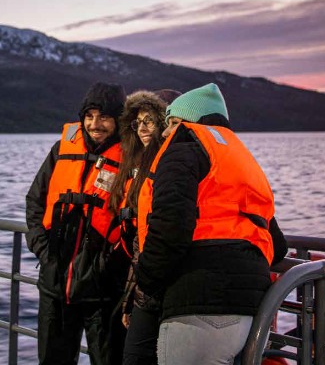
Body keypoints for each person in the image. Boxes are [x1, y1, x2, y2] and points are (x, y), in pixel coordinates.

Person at [135, 83, 288, 365]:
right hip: (252, 310)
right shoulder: (240, 159)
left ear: (188, 122)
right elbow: (277, 247)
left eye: (173, 122)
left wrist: (146, 281)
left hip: (199, 303)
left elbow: (169, 228)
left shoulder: (183, 149)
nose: (166, 132)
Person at [25, 81, 129, 365]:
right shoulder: (62, 150)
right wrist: (42, 250)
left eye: (105, 116)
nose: (95, 124)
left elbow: (136, 221)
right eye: (90, 115)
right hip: (55, 283)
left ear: (119, 120)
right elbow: (35, 200)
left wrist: (108, 264)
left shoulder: (132, 157)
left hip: (104, 290)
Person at [107, 89, 178, 365]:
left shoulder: (172, 167)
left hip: (159, 289)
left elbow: (156, 238)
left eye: (150, 120)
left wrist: (135, 299)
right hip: (141, 284)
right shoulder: (137, 167)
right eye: (137, 122)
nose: (143, 128)